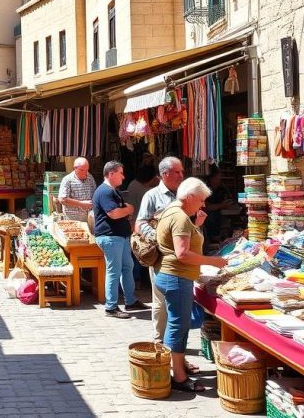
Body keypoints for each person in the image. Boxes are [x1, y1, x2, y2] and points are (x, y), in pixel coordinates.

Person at [153, 177, 227, 392]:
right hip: (177, 276)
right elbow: (182, 253)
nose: (203, 204)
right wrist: (214, 261)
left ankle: (177, 365)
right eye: (201, 200)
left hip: (171, 275)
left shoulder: (173, 211)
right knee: (178, 325)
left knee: (177, 323)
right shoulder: (180, 217)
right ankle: (178, 377)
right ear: (191, 196)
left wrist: (197, 226)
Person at [136, 157, 186, 344]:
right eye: (177, 172)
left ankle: (176, 345)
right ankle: (159, 341)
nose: (181, 175)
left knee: (179, 301)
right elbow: (140, 223)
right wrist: (159, 238)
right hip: (161, 256)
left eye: (182, 171)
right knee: (160, 300)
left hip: (184, 254)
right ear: (165, 174)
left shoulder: (185, 194)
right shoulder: (152, 196)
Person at [92, 161, 148, 318]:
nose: (123, 177)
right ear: (111, 174)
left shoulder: (112, 191)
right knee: (114, 271)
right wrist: (128, 209)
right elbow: (113, 213)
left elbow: (118, 211)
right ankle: (111, 307)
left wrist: (125, 210)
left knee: (126, 267)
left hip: (119, 236)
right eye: (120, 173)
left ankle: (130, 301)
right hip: (110, 237)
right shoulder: (104, 191)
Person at [57, 157, 97, 222]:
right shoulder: (67, 180)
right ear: (75, 168)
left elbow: (95, 194)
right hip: (73, 220)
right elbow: (62, 199)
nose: (85, 172)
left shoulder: (90, 177)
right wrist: (81, 203)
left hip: (89, 218)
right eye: (82, 170)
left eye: (87, 170)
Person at [202, 165, 233, 243]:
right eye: (218, 177)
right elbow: (205, 206)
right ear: (212, 178)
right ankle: (213, 239)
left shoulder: (221, 187)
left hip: (220, 215)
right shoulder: (205, 188)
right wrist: (221, 205)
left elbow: (229, 198)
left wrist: (228, 202)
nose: (220, 179)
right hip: (208, 217)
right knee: (210, 217)